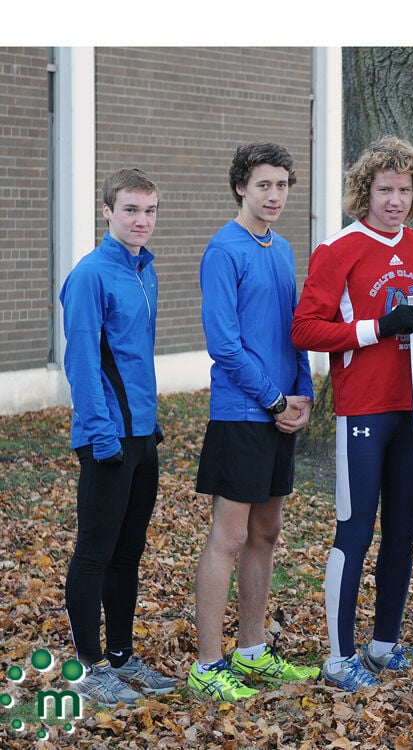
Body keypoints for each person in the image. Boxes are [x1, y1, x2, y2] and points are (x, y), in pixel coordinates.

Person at [291, 135, 413, 692]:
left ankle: (383, 644)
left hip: (411, 409)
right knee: (355, 531)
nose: (395, 201)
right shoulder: (339, 248)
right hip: (363, 411)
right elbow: (305, 329)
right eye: (384, 190)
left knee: (402, 530)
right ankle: (339, 657)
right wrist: (377, 329)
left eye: (404, 191)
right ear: (364, 192)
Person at [187, 142, 317, 701]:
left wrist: (303, 393)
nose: (274, 195)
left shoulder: (281, 248)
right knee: (231, 535)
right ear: (241, 187)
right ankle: (207, 665)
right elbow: (225, 344)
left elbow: (296, 328)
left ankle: (253, 650)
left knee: (266, 532)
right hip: (242, 411)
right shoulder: (224, 250)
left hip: (280, 410)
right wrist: (273, 400)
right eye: (264, 184)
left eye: (282, 185)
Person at [60, 168, 178, 706]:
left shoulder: (144, 272)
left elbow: (133, 358)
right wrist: (102, 435)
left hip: (141, 436)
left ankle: (122, 657)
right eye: (131, 209)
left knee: (128, 553)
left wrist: (148, 426)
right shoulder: (90, 275)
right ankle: (87, 668)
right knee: (94, 552)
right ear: (108, 211)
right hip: (106, 438)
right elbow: (83, 363)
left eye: (149, 211)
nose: (141, 220)